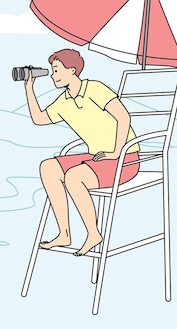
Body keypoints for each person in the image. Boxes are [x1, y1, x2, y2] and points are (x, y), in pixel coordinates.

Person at [24, 49, 140, 256]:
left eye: (57, 70)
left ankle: (93, 233)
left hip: (125, 159)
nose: (53, 75)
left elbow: (124, 117)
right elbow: (40, 119)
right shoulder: (64, 100)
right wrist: (29, 88)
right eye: (52, 71)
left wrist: (116, 151)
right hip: (97, 158)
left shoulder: (95, 89)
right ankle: (64, 233)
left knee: (74, 176)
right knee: (48, 167)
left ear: (72, 70)